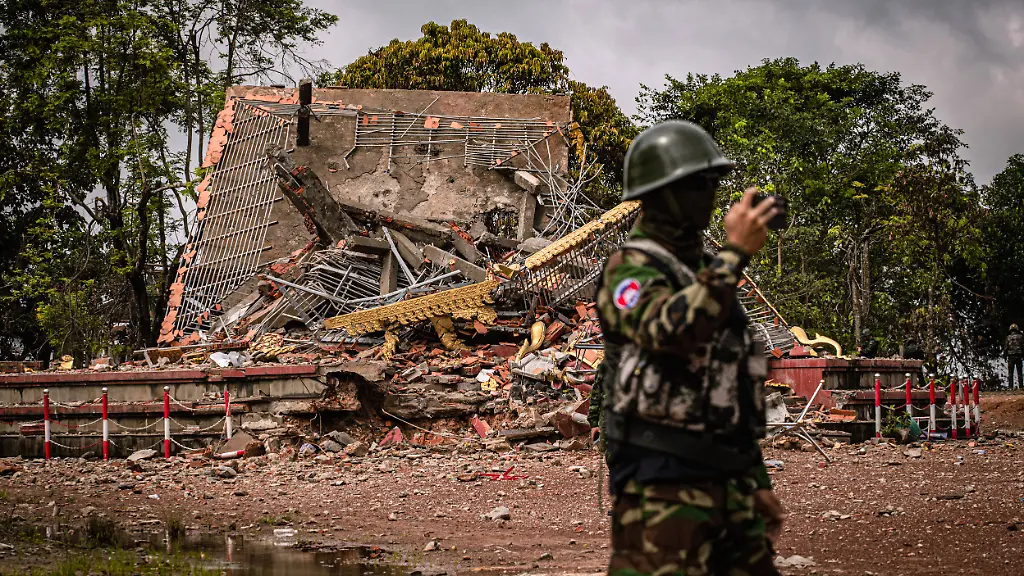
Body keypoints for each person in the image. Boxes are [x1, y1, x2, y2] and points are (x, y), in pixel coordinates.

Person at [596, 120, 785, 576]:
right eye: (700, 186)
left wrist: (755, 478)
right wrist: (734, 255)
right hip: (661, 484)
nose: (711, 197)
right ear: (663, 195)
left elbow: (732, 384)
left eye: (713, 184)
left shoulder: (704, 270)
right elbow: (670, 330)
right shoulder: (629, 269)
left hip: (728, 481)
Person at [1007, 324, 1023, 389]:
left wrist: (1005, 356)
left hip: (1011, 357)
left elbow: (1006, 348)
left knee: (1010, 373)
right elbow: (1023, 346)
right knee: (1020, 372)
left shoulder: (1008, 337)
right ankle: (1021, 386)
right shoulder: (1021, 337)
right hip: (1019, 356)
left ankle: (1010, 387)